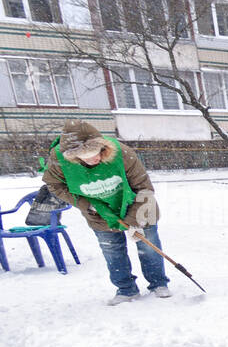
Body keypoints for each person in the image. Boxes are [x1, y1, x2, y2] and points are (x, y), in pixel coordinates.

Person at [42, 120, 169, 305]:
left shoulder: (122, 153)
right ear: (74, 156)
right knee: (112, 250)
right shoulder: (59, 160)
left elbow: (143, 188)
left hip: (140, 207)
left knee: (148, 246)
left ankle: (158, 283)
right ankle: (126, 289)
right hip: (100, 213)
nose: (94, 159)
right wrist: (86, 204)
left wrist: (135, 222)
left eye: (96, 153)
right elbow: (54, 185)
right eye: (86, 156)